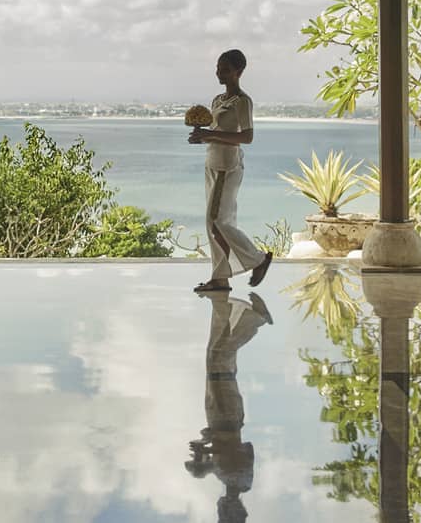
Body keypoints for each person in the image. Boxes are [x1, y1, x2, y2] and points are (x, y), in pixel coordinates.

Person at [188, 48, 272, 293]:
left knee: (215, 221)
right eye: (218, 68)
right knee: (216, 223)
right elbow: (216, 134)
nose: (219, 73)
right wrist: (201, 138)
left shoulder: (242, 102)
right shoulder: (217, 101)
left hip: (228, 166)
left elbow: (246, 137)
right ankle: (220, 278)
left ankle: (258, 259)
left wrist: (210, 134)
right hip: (212, 163)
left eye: (225, 69)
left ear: (239, 72)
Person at [185, 289, 273, 523]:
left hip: (221, 418)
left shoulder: (230, 479)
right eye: (225, 514)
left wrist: (205, 447)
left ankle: (232, 313)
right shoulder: (238, 480)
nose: (221, 509)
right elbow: (240, 449)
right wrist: (209, 454)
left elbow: (231, 450)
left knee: (217, 357)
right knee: (218, 357)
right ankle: (255, 320)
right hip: (226, 416)